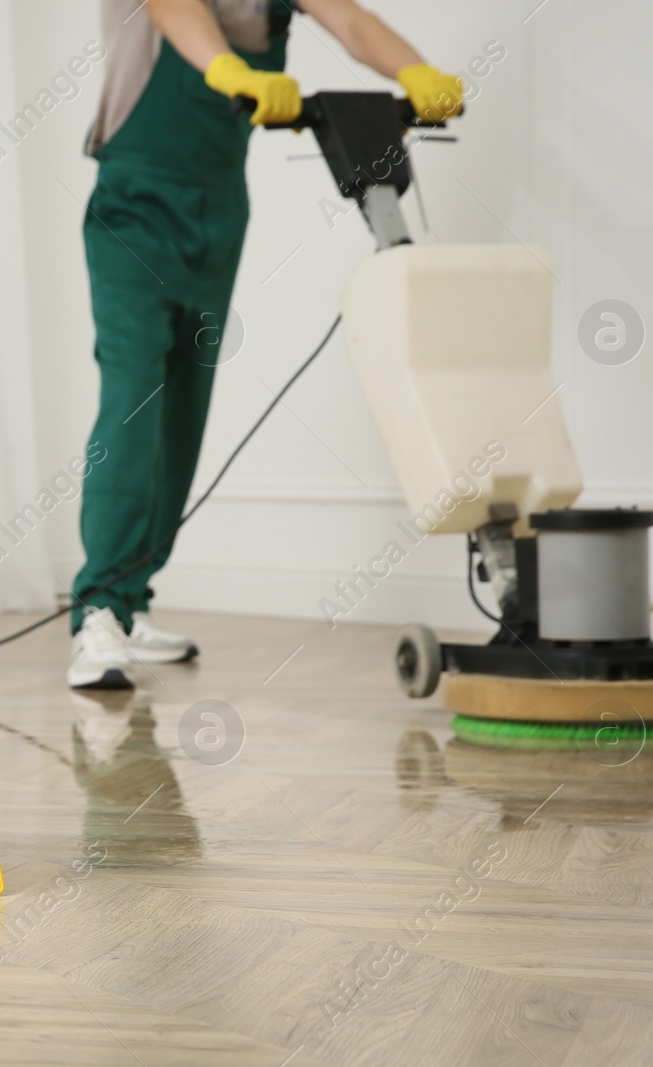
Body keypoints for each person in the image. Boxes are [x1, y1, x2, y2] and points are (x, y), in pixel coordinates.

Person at [67, 0, 464, 689]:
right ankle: (97, 609)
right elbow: (173, 10)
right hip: (136, 201)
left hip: (220, 209)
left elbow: (354, 25)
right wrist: (226, 66)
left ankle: (131, 603)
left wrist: (419, 71)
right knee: (135, 398)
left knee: (184, 410)